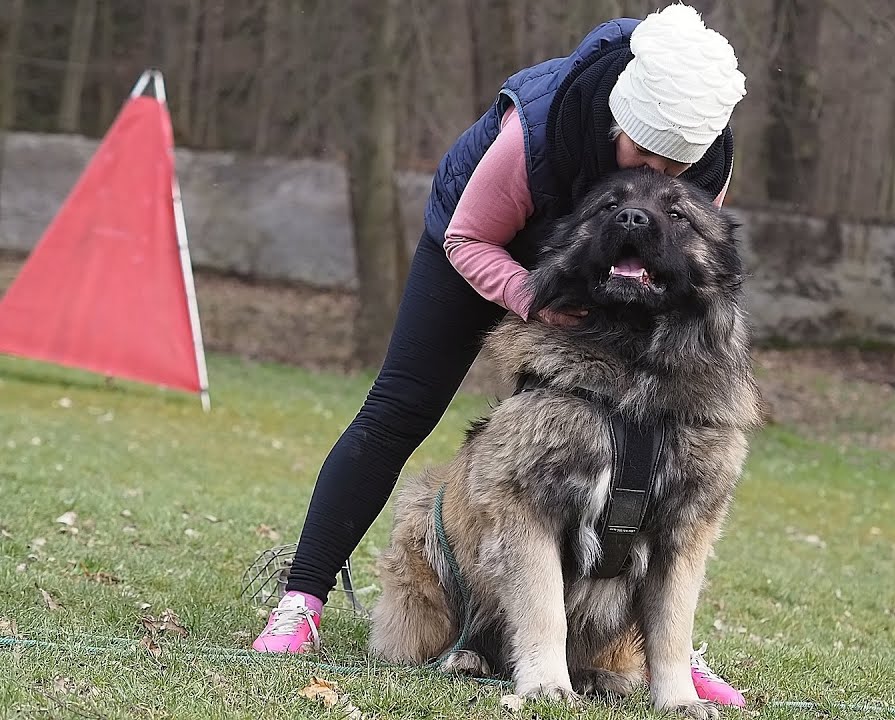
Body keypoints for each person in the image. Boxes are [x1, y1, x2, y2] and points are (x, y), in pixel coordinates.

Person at [250, 3, 748, 707]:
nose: (664, 171)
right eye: (646, 154)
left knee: (624, 452)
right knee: (399, 408)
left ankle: (658, 647)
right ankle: (300, 601)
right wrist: (531, 298)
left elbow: (690, 250)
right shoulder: (537, 131)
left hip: (597, 266)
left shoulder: (711, 151)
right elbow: (467, 240)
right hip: (483, 242)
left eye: (678, 165)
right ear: (617, 119)